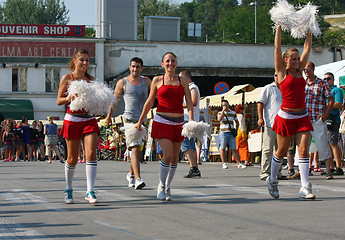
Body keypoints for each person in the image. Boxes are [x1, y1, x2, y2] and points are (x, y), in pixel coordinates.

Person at [134, 52, 193, 201]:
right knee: (167, 154)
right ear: (162, 64)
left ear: (176, 64)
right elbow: (149, 102)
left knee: (174, 158)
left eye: (173, 61)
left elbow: (190, 102)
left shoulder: (183, 80)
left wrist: (191, 121)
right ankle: (161, 185)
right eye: (167, 61)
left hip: (179, 123)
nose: (170, 63)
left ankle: (167, 186)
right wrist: (140, 121)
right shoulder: (157, 80)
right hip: (162, 121)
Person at [267, 24, 315, 199]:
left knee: (303, 151)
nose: (296, 61)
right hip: (286, 116)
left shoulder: (300, 71)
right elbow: (277, 47)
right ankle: (272, 179)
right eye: (293, 59)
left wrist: (310, 25)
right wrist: (278, 27)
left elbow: (307, 47)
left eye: (297, 59)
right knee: (281, 151)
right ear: (286, 60)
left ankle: (304, 186)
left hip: (302, 116)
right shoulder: (281, 72)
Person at [57, 49, 100, 204]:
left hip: (89, 120)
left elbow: (95, 100)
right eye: (82, 60)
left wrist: (100, 106)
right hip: (72, 119)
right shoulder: (67, 78)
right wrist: (69, 97)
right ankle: (68, 189)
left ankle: (90, 191)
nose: (85, 63)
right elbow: (59, 100)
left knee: (91, 154)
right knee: (72, 158)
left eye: (87, 60)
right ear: (74, 60)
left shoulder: (91, 79)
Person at [105, 57, 151, 189]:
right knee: (135, 148)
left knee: (137, 150)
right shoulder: (122, 82)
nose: (135, 69)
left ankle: (131, 174)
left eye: (137, 66)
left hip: (143, 120)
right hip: (129, 120)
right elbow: (115, 100)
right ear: (129, 67)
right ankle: (138, 179)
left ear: (141, 68)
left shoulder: (147, 81)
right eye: (133, 66)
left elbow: (155, 96)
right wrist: (109, 116)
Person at [305, 62, 334, 180]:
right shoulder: (303, 84)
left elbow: (331, 100)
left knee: (322, 144)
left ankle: (328, 170)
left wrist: (325, 115)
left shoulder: (322, 83)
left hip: (317, 118)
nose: (306, 71)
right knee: (304, 147)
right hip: (305, 119)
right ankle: (304, 171)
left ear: (313, 69)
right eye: (304, 70)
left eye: (308, 69)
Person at [257, 75, 285, 180]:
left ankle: (278, 172)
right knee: (268, 149)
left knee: (280, 150)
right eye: (277, 75)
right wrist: (260, 118)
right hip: (270, 124)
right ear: (274, 76)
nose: (279, 77)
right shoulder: (269, 88)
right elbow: (260, 103)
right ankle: (265, 172)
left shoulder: (285, 88)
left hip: (282, 124)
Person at [179, 70, 201, 178]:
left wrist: (179, 105)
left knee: (186, 143)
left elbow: (193, 101)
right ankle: (194, 167)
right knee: (190, 144)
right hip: (188, 119)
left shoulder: (192, 87)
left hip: (188, 119)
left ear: (186, 78)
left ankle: (193, 167)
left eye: (180, 78)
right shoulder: (189, 88)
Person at [324, 72, 344, 175]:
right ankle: (331, 167)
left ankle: (339, 167)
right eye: (325, 79)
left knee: (334, 143)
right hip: (324, 119)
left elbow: (338, 104)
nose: (326, 81)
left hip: (333, 119)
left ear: (333, 80)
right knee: (328, 145)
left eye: (328, 79)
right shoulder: (324, 91)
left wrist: (326, 104)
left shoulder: (337, 90)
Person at [217, 99, 246, 169]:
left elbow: (237, 121)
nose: (225, 106)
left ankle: (239, 163)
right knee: (223, 148)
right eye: (223, 105)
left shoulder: (232, 113)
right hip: (223, 132)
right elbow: (219, 119)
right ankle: (224, 163)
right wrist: (223, 111)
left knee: (234, 148)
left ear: (228, 105)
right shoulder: (220, 113)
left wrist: (235, 129)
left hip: (230, 133)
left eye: (226, 105)